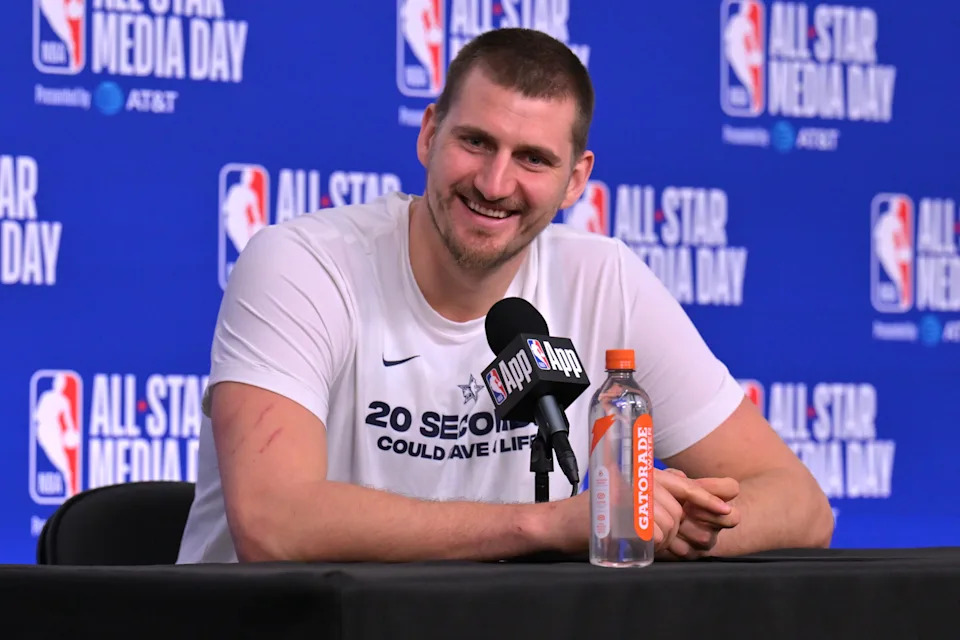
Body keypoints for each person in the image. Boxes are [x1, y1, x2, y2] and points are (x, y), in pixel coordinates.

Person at [177, 28, 833, 564]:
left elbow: (800, 503)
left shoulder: (604, 280)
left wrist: (655, 528)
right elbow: (275, 524)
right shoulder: (303, 264)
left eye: (533, 160)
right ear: (430, 134)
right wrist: (549, 524)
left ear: (576, 180)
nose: (495, 183)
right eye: (476, 142)